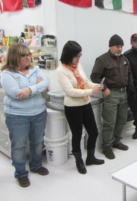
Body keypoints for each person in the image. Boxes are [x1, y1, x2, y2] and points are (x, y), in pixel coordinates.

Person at [1, 43, 49, 187]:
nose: (29, 58)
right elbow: (16, 94)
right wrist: (36, 87)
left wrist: (29, 89)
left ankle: (36, 165)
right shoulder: (6, 74)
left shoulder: (35, 69)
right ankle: (21, 173)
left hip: (39, 112)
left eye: (29, 55)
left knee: (37, 141)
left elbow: (45, 83)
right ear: (15, 57)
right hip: (17, 116)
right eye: (25, 55)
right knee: (19, 146)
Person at [57, 41, 104, 174]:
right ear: (68, 55)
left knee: (93, 132)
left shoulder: (78, 66)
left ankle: (90, 157)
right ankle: (79, 162)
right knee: (77, 135)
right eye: (76, 56)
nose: (78, 59)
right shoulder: (61, 70)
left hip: (85, 104)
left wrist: (95, 86)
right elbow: (71, 91)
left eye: (80, 56)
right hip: (72, 107)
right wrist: (91, 92)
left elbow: (85, 81)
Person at [91, 34, 133, 159]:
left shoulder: (125, 59)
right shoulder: (102, 60)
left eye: (121, 46)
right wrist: (104, 88)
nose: (119, 49)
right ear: (110, 46)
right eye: (117, 46)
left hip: (123, 93)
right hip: (111, 94)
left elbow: (129, 73)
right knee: (109, 122)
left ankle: (116, 141)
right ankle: (107, 147)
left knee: (121, 120)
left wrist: (130, 86)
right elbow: (94, 77)